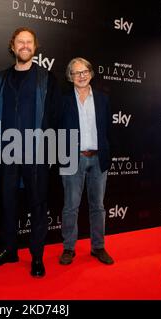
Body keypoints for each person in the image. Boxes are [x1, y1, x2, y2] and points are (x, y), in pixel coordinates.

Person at [0, 27, 60, 277]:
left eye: (29, 42)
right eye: (20, 42)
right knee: (7, 203)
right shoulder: (0, 79)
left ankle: (37, 257)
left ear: (35, 47)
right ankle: (9, 250)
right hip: (6, 151)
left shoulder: (47, 78)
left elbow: (54, 118)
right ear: (12, 46)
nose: (24, 46)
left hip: (36, 153)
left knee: (37, 205)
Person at [58, 57, 114, 266]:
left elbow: (108, 129)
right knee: (70, 206)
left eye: (84, 72)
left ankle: (98, 247)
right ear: (70, 77)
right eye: (76, 73)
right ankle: (68, 248)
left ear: (90, 73)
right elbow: (56, 130)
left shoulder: (103, 99)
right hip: (72, 159)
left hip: (98, 159)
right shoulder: (63, 100)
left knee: (98, 206)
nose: (81, 76)